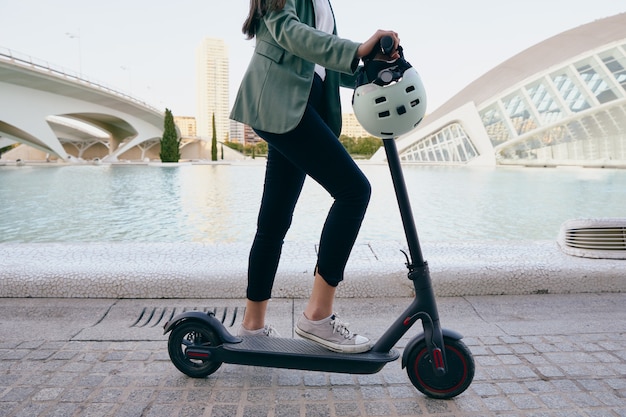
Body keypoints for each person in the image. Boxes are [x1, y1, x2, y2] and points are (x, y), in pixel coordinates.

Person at [230, 0, 400, 354]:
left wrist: (377, 67)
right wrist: (357, 49)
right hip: (280, 101)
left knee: (273, 222)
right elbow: (293, 35)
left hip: (299, 107)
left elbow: (326, 67)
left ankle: (252, 327)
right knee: (354, 191)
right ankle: (317, 316)